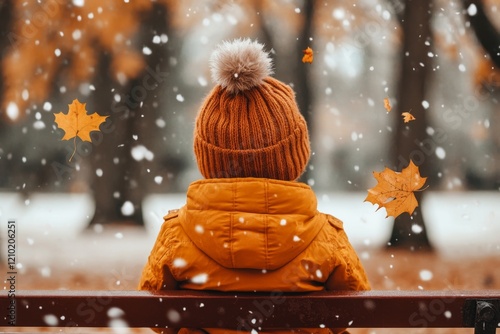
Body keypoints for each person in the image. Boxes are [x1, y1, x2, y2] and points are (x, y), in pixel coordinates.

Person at [138, 38, 370, 334]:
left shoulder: (176, 235)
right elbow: (354, 312)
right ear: (294, 157)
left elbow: (154, 315)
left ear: (207, 157)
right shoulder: (326, 238)